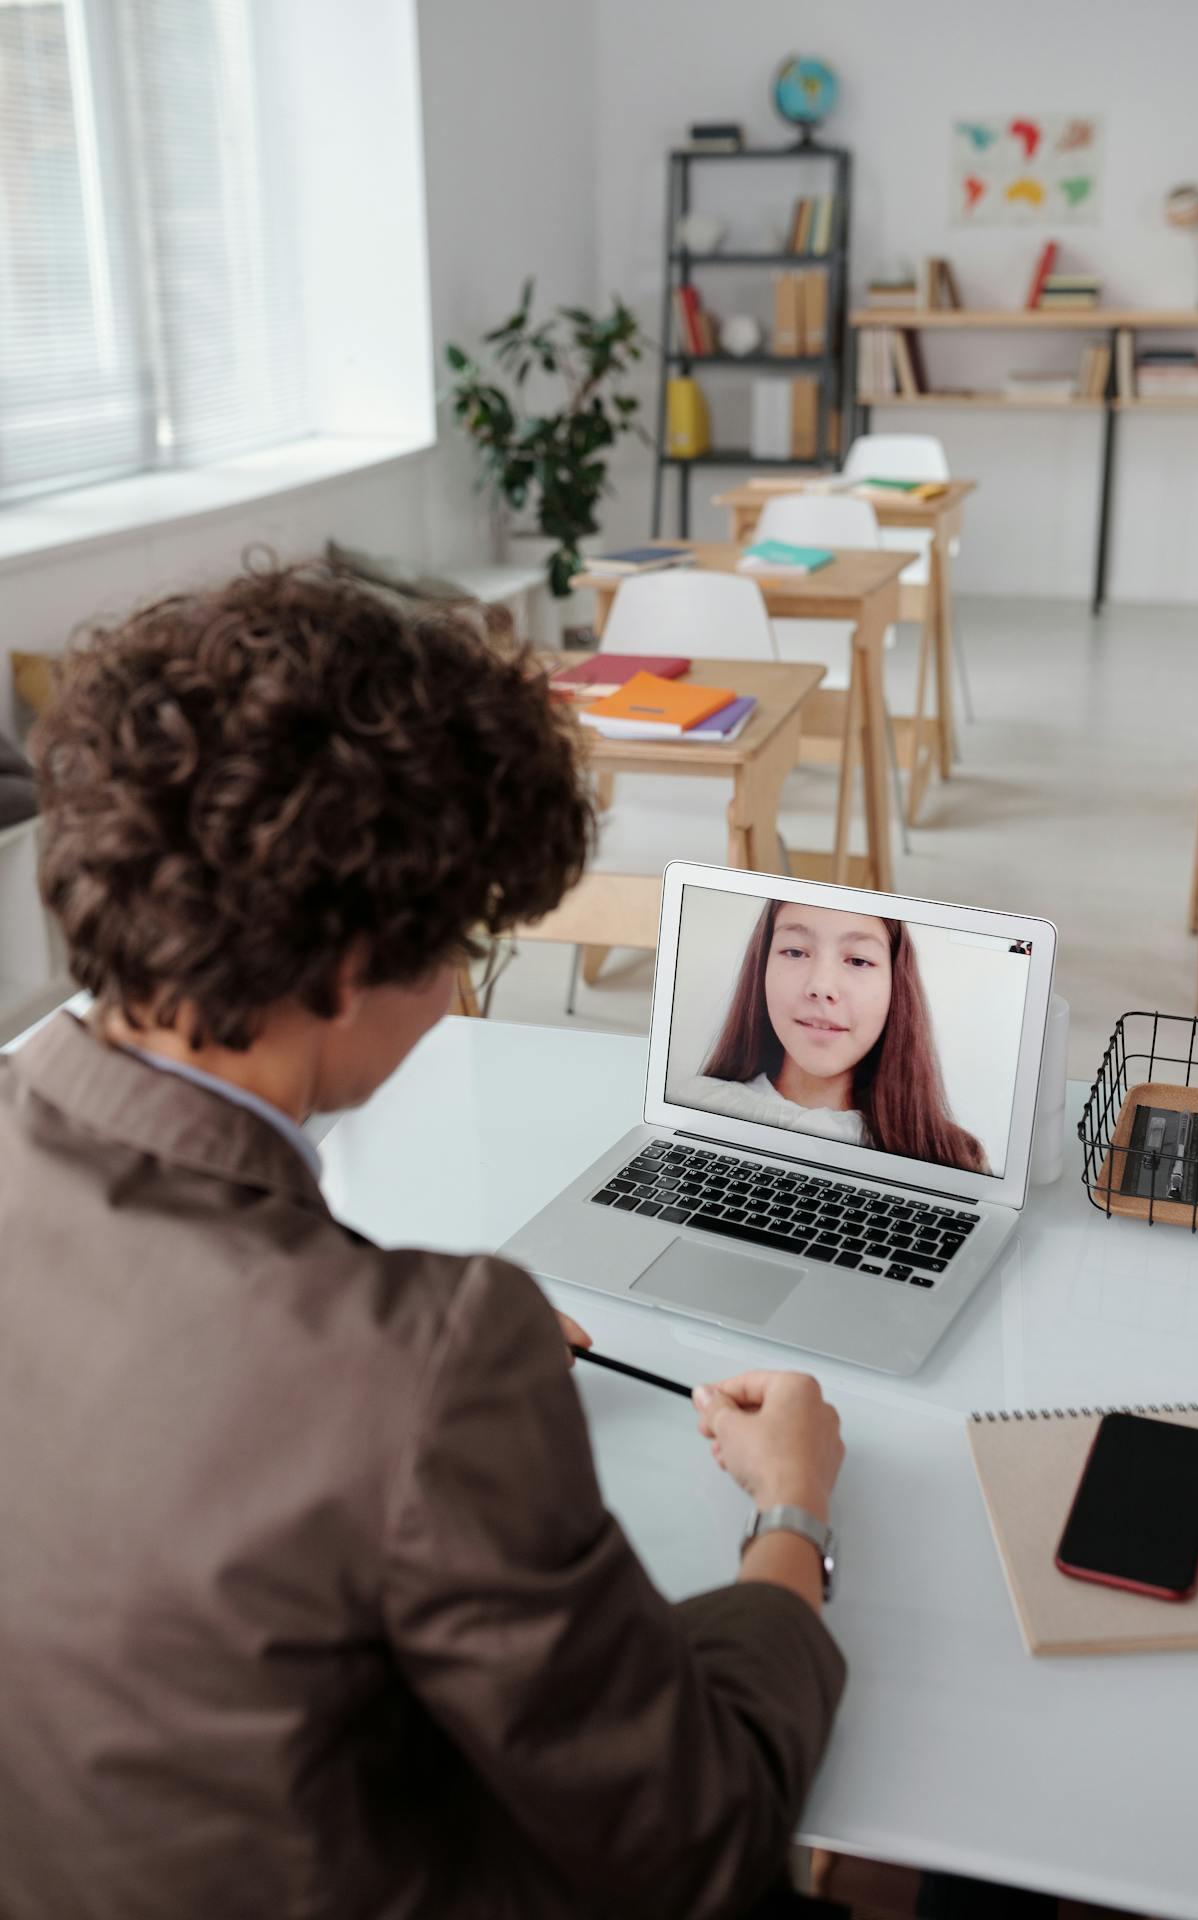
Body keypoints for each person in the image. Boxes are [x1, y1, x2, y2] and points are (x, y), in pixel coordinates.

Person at [0, 565, 847, 1920]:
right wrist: (792, 1524)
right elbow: (696, 1844)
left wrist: (419, 1411)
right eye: (454, 942)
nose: (459, 988)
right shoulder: (425, 1358)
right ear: (343, 968)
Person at [680, 898, 989, 1175]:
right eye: (795, 951)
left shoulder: (952, 1157)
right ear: (761, 967)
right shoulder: (694, 1106)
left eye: (858, 960)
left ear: (896, 988)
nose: (821, 986)